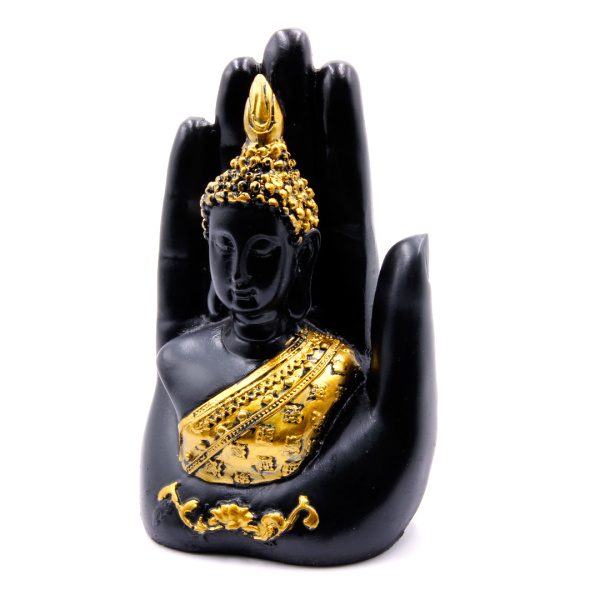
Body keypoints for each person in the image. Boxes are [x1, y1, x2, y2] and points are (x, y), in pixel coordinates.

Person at [142, 29, 436, 566]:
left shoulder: (336, 369)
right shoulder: (180, 360)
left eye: (261, 252)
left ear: (302, 257)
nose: (238, 276)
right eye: (224, 249)